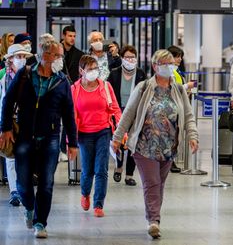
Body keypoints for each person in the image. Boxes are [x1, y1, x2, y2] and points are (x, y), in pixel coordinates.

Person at [111, 49, 199, 239]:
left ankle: (153, 217)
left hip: (168, 148)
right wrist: (117, 138)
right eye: (164, 64)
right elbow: (128, 114)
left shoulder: (178, 89)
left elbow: (188, 115)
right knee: (152, 183)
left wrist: (193, 136)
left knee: (159, 185)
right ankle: (154, 221)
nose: (169, 67)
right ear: (155, 66)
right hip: (144, 146)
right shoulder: (144, 87)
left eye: (171, 64)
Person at [0, 39, 78, 238]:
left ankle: (40, 222)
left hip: (51, 137)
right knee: (24, 183)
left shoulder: (62, 81)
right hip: (25, 136)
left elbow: (69, 113)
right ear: (45, 56)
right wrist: (6, 128)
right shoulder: (25, 75)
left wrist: (72, 142)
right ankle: (29, 206)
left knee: (46, 182)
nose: (60, 59)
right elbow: (8, 101)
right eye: (57, 55)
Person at [71, 55, 121, 217]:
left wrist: (121, 131)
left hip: (103, 131)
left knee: (101, 169)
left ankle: (98, 204)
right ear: (81, 71)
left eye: (96, 68)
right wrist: (69, 139)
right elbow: (71, 115)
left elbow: (115, 109)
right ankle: (85, 193)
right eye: (90, 69)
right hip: (84, 133)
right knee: (87, 170)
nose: (94, 72)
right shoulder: (75, 89)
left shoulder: (105, 86)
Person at [0, 44, 34, 206]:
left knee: (25, 156)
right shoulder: (2, 77)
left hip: (25, 121)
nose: (21, 60)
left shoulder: (29, 75)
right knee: (10, 155)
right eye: (18, 56)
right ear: (10, 59)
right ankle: (14, 191)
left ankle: (22, 187)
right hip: (9, 121)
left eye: (24, 57)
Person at [108, 45, 147, 185]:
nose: (130, 60)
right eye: (127, 57)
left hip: (135, 112)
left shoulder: (141, 74)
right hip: (118, 112)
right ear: (122, 58)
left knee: (132, 143)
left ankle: (129, 174)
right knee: (119, 140)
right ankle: (119, 167)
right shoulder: (114, 73)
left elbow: (145, 93)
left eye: (132, 57)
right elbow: (108, 93)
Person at [167, 45, 196, 173]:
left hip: (179, 108)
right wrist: (186, 86)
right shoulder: (168, 72)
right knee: (171, 136)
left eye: (180, 57)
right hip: (170, 108)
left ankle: (171, 160)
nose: (179, 59)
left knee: (176, 135)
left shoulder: (177, 71)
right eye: (176, 56)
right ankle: (169, 161)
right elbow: (172, 89)